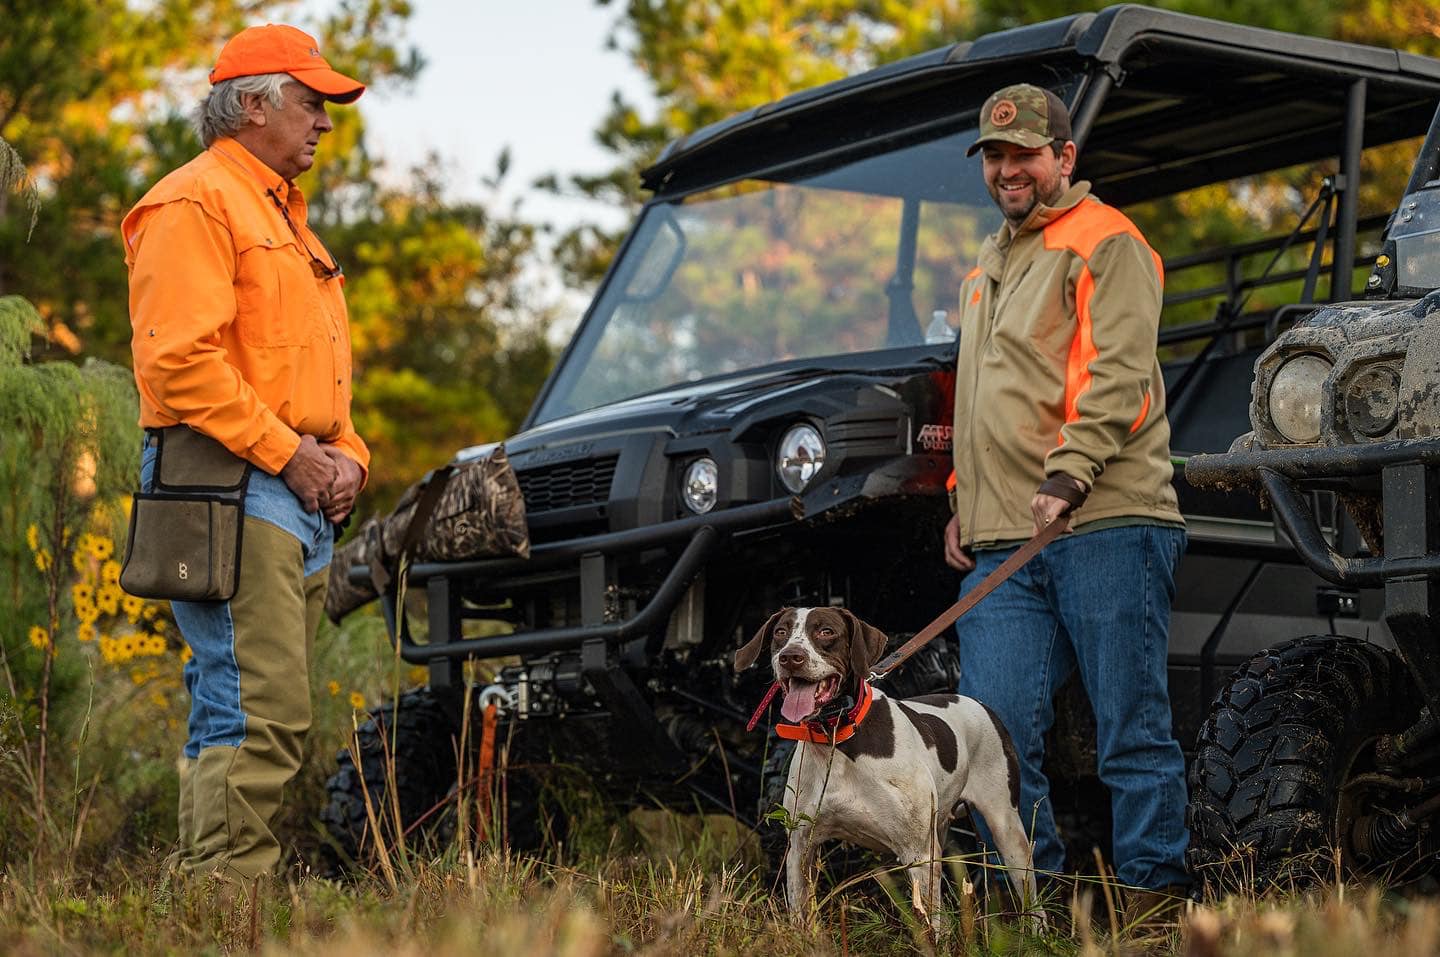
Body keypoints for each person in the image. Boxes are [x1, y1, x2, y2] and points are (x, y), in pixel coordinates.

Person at [122, 23, 369, 881]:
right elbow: (177, 362)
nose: (324, 124)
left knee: (243, 702)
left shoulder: (286, 222)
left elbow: (317, 381)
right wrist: (293, 457)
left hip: (286, 492)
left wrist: (350, 459)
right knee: (258, 709)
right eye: (311, 103)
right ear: (253, 104)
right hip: (230, 483)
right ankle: (227, 900)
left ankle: (211, 895)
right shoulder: (195, 200)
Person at [943, 83, 1190, 902]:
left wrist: (1069, 472)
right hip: (1004, 539)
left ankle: (1156, 906)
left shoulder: (1108, 242)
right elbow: (982, 397)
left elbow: (1115, 375)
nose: (1008, 170)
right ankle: (1035, 912)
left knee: (1131, 732)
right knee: (994, 740)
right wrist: (959, 497)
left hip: (1106, 520)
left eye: (1025, 154)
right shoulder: (984, 268)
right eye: (995, 156)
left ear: (1064, 158)